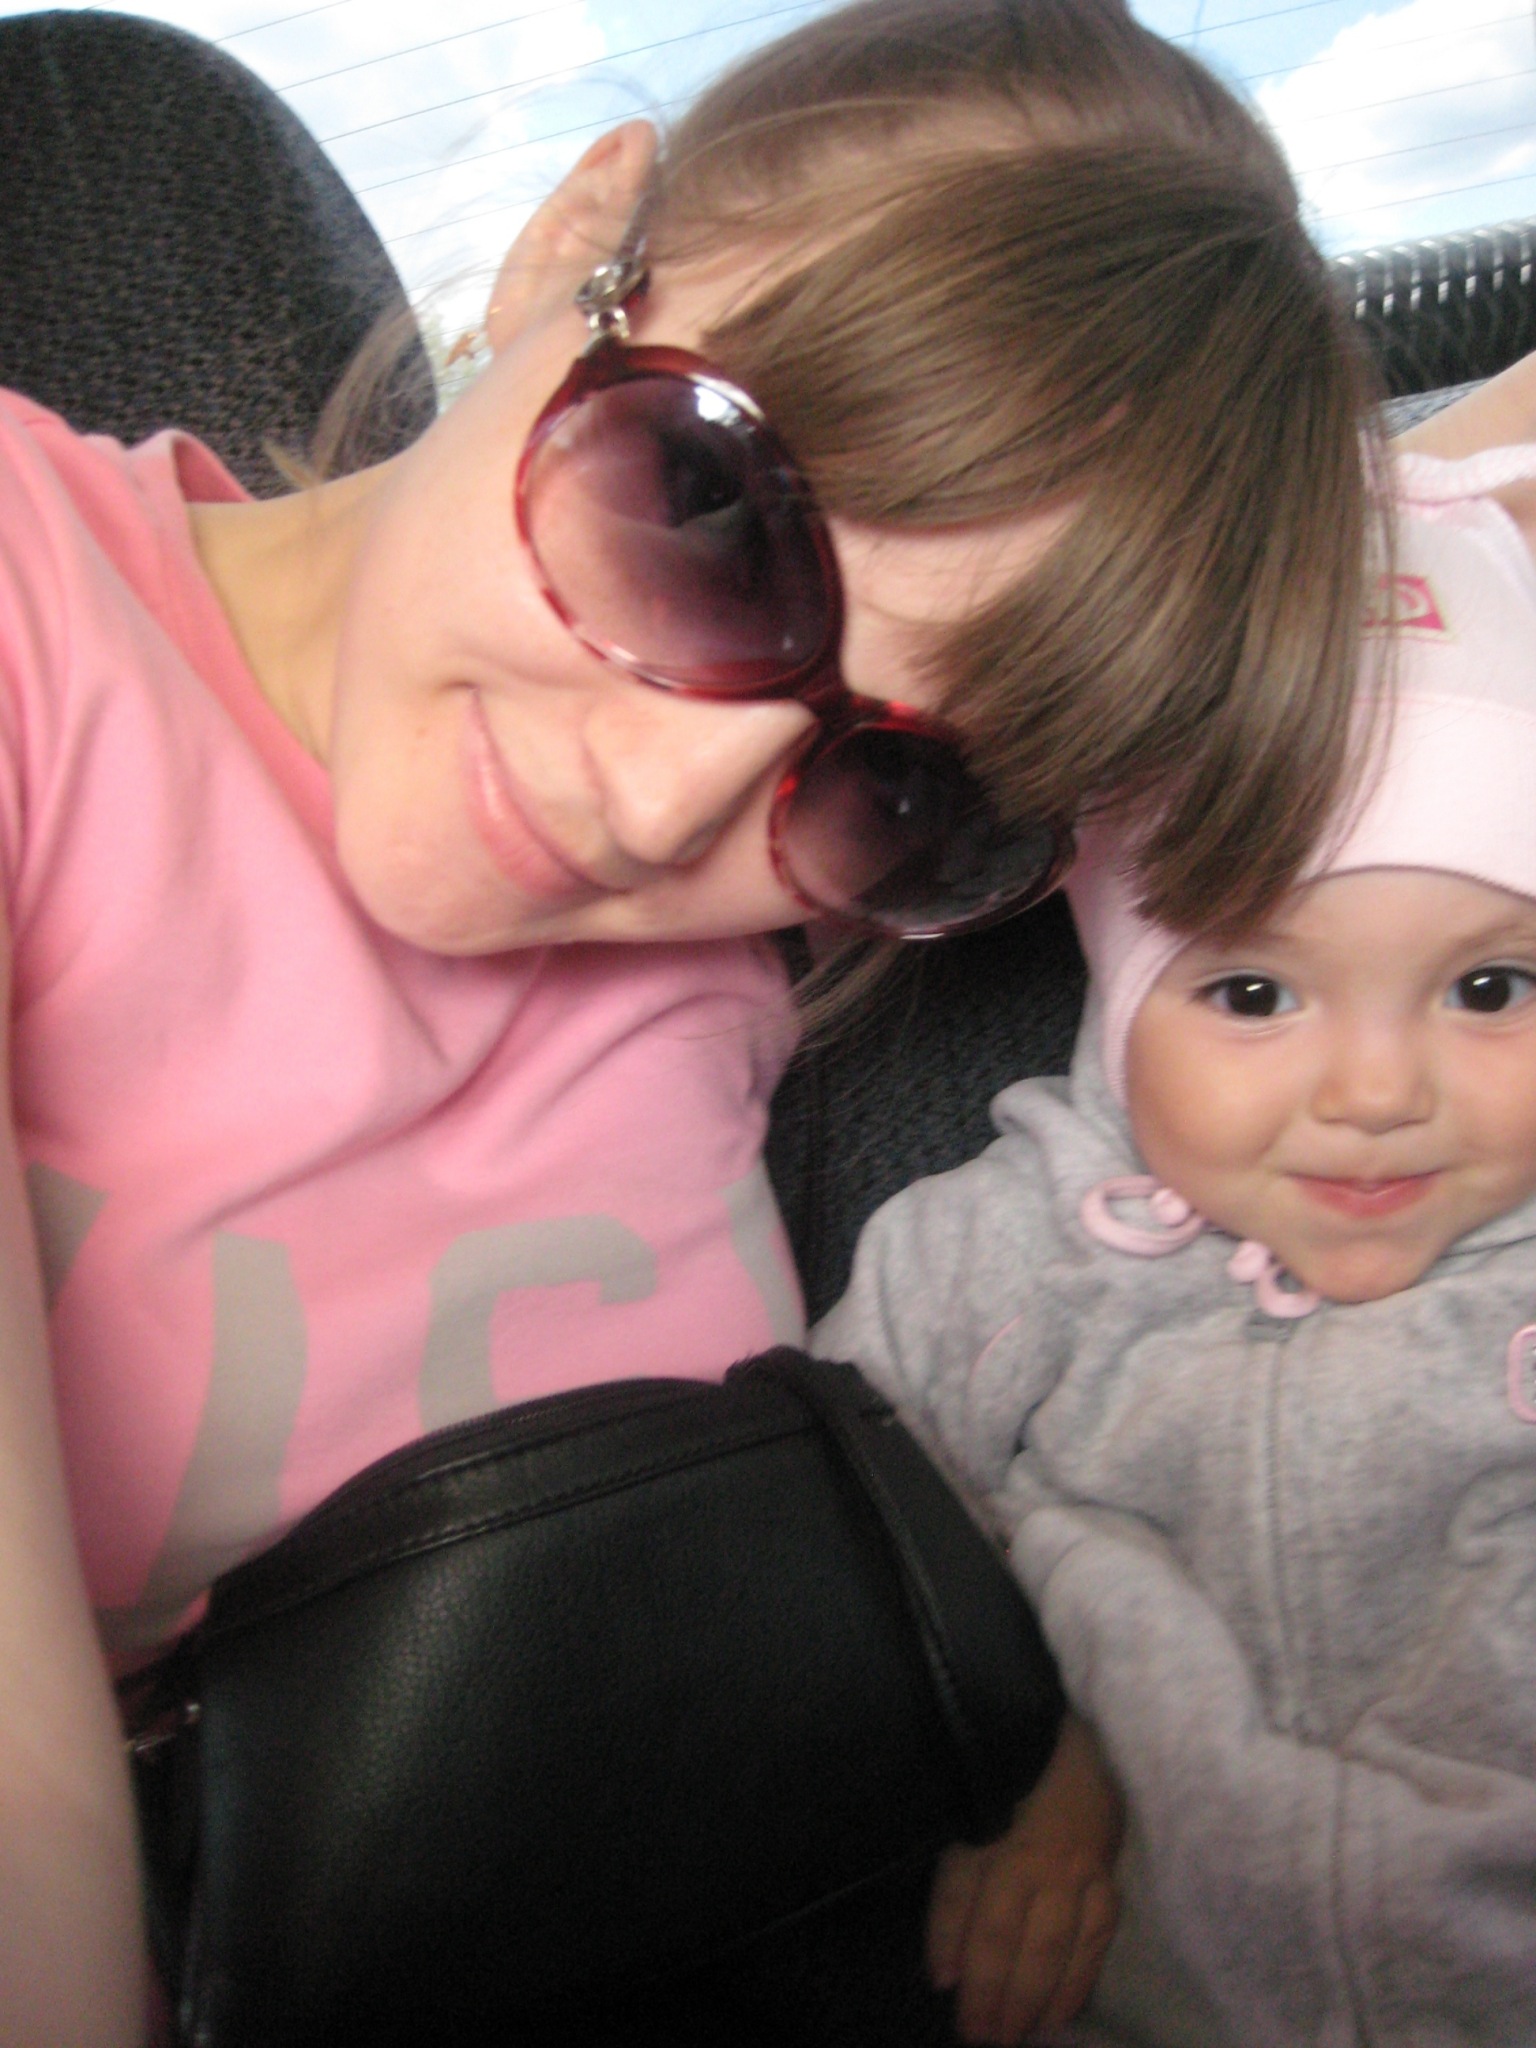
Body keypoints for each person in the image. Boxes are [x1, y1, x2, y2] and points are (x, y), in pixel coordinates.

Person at [0, 0, 1434, 2038]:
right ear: (568, 248)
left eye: (901, 791)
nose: (675, 807)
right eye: (706, 519)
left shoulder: (716, 972)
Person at [814, 444, 1536, 2048]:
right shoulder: (1002, 1263)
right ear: (1120, 1000)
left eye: (1490, 991)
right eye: (1253, 993)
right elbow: (834, 1534)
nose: (1376, 1095)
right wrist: (1027, 1742)